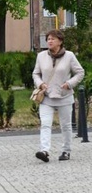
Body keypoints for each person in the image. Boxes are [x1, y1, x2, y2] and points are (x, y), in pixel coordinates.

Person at [32, 29, 85, 162]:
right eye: (48, 39)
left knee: (66, 126)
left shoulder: (69, 56)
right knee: (45, 124)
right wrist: (40, 84)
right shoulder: (41, 56)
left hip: (64, 97)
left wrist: (69, 83)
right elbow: (35, 73)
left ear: (60, 41)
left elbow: (80, 72)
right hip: (47, 97)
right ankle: (44, 150)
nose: (50, 41)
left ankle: (66, 151)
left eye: (53, 39)